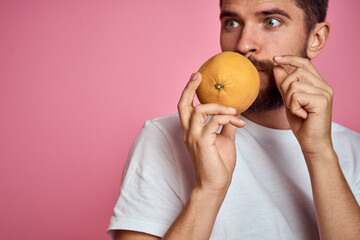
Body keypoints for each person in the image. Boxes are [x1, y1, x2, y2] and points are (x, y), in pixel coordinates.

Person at [107, 0, 360, 239]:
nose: (243, 44)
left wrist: (319, 152)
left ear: (315, 39)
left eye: (271, 22)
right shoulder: (166, 138)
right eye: (232, 23)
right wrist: (208, 191)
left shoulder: (353, 150)